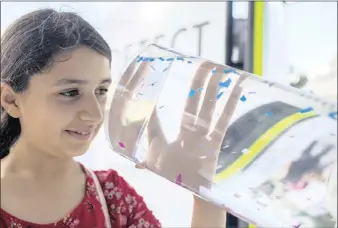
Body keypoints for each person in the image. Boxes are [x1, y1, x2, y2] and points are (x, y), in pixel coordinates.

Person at [0, 9, 228, 228]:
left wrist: (206, 198)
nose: (95, 114)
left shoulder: (113, 198)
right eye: (70, 92)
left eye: (101, 90)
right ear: (11, 100)